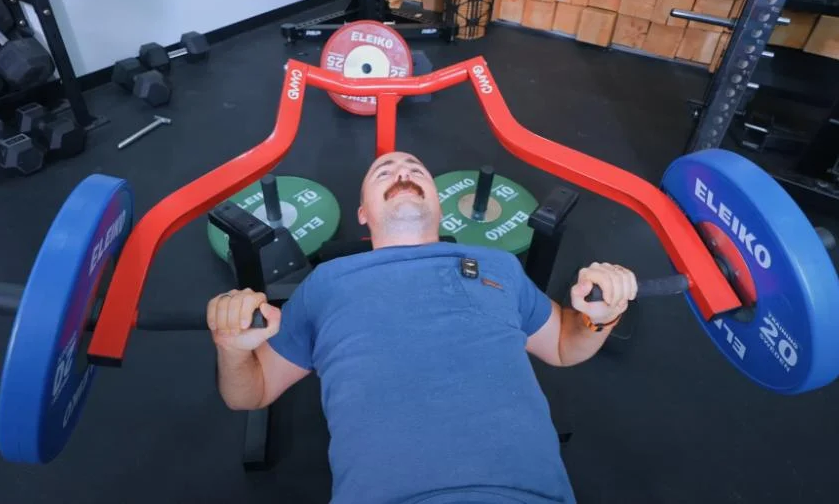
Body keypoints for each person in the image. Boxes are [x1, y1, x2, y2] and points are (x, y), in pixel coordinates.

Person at [208, 152, 637, 504]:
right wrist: (231, 348)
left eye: (416, 171)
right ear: (362, 213)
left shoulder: (499, 266)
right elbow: (252, 391)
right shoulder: (325, 283)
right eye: (384, 172)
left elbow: (564, 346)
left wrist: (599, 319)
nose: (402, 172)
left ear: (438, 203)